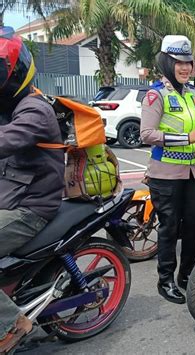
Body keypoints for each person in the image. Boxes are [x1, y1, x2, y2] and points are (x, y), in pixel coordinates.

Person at [0, 26, 65, 352]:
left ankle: (15, 325)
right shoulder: (7, 106)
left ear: (15, 70)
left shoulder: (34, 109)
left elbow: (7, 140)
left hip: (31, 206)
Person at [140, 35, 195, 304]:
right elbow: (147, 134)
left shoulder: (193, 93)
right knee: (169, 229)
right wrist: (187, 139)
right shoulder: (156, 94)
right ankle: (165, 280)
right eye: (178, 62)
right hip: (165, 175)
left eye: (188, 62)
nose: (184, 67)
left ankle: (187, 275)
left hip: (194, 173)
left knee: (193, 227)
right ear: (167, 63)